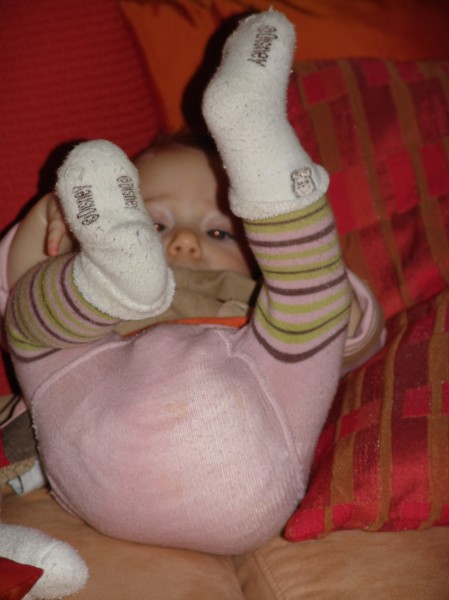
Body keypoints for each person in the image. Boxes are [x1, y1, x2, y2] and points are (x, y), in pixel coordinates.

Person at [1, 10, 384, 555]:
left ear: (258, 256)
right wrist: (51, 216)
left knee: (311, 316)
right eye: (154, 224)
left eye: (219, 232)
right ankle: (114, 273)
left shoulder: (254, 300)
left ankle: (266, 169)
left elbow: (357, 338)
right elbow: (16, 289)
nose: (182, 242)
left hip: (251, 399)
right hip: (94, 378)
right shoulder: (80, 285)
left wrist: (299, 278)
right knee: (35, 314)